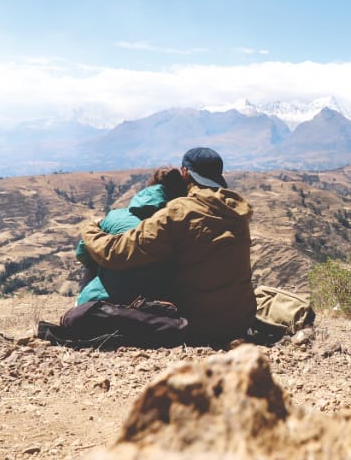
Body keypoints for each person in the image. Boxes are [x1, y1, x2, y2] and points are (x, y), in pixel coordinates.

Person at [79, 147, 256, 345]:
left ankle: (82, 309)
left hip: (199, 325)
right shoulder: (237, 213)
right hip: (241, 321)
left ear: (185, 173)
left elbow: (116, 253)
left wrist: (90, 229)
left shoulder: (180, 211)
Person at [73, 166, 186, 306]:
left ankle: (82, 306)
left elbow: (82, 253)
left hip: (102, 302)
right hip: (154, 305)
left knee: (93, 256)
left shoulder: (116, 216)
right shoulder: (179, 225)